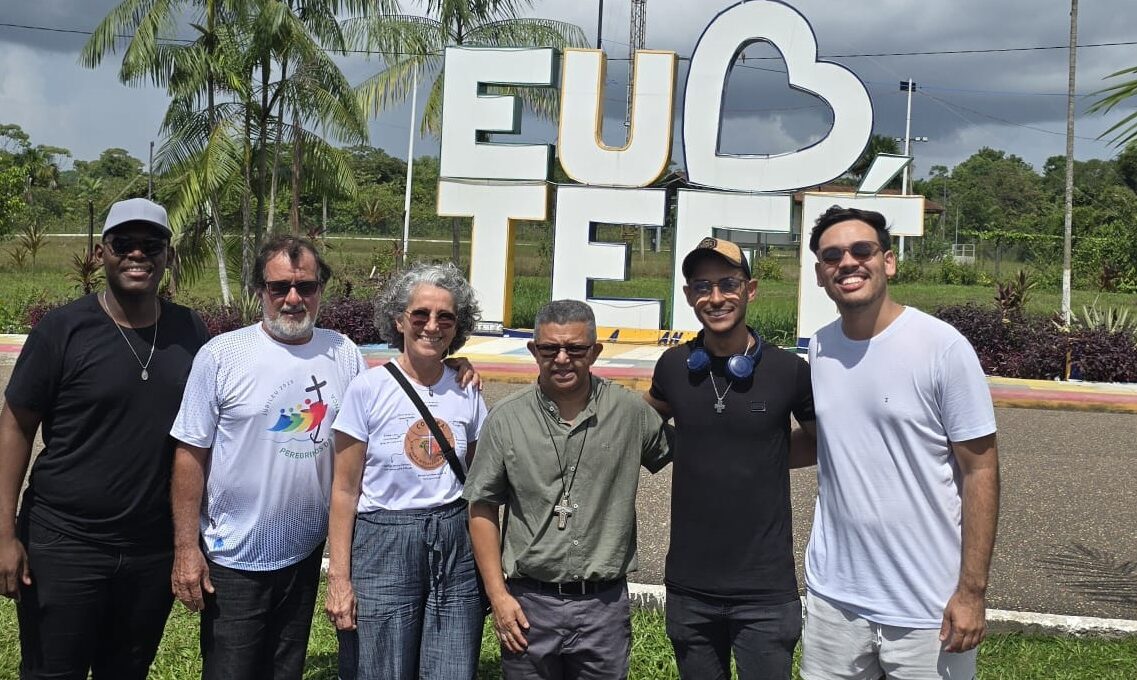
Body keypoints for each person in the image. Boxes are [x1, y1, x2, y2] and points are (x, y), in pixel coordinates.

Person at [0, 198, 211, 678]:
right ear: (101, 253)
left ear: (168, 256)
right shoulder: (63, 330)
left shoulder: (189, 330)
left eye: (151, 244)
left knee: (128, 670)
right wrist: (4, 533)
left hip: (150, 546)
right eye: (124, 243)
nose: (137, 254)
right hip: (65, 541)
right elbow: (14, 427)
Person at [800, 206, 1000, 680]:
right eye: (832, 256)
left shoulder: (942, 347)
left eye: (861, 250)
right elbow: (822, 443)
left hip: (926, 607)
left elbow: (981, 470)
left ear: (888, 261)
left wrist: (972, 593)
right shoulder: (820, 349)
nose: (847, 262)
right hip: (834, 599)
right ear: (819, 274)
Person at [169, 236, 367, 680]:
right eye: (279, 287)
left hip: (302, 553)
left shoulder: (345, 354)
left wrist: (452, 365)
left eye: (306, 286)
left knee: (285, 669)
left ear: (321, 289)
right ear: (260, 289)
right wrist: (186, 549)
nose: (293, 299)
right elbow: (189, 455)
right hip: (233, 555)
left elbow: (381, 415)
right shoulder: (222, 356)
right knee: (231, 670)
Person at [464, 299, 672, 680]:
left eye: (575, 349)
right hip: (529, 603)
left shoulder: (628, 412)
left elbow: (690, 455)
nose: (562, 359)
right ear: (533, 350)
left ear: (595, 351)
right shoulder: (506, 419)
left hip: (603, 606)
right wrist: (498, 596)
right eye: (549, 348)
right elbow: (481, 508)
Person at [645, 237, 816, 680]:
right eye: (702, 286)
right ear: (688, 296)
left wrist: (766, 455)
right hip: (689, 586)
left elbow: (820, 441)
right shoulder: (672, 367)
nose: (715, 297)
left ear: (751, 289)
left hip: (765, 590)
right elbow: (638, 426)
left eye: (727, 284)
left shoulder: (788, 372)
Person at [325, 262, 488, 680]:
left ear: (458, 327)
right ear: (400, 320)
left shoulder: (466, 389)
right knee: (380, 668)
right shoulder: (368, 389)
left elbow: (481, 484)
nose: (431, 326)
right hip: (383, 542)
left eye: (445, 318)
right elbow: (344, 491)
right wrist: (339, 578)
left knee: (452, 666)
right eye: (420, 315)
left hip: (454, 543)